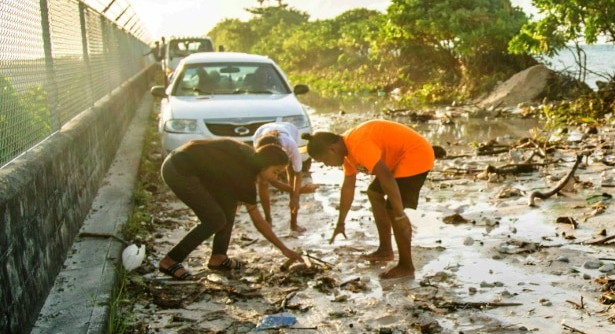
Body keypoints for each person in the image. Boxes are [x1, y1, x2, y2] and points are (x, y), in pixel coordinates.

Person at [303, 121, 434, 280]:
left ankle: (406, 266)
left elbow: (385, 176)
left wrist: (400, 214)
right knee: (373, 193)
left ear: (331, 149)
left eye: (324, 161)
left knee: (392, 209)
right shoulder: (346, 150)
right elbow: (348, 187)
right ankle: (385, 250)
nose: (327, 165)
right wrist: (340, 223)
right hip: (397, 159)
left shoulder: (358, 144)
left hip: (416, 154)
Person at [157, 138, 303, 279]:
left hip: (188, 163)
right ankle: (170, 260)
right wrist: (283, 248)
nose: (274, 178)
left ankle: (218, 257)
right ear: (263, 165)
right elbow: (258, 221)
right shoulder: (244, 178)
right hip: (179, 171)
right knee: (214, 220)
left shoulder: (250, 156)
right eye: (275, 172)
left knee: (230, 205)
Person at [251, 122, 318, 232]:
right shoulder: (259, 145)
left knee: (291, 173)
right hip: (261, 131)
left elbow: (298, 173)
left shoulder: (290, 145)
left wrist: (295, 196)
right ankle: (268, 221)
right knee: (263, 181)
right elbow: (269, 180)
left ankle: (294, 223)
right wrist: (301, 190)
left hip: (289, 131)